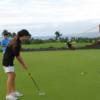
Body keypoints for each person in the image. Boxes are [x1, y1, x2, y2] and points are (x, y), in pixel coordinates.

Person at [2, 29, 31, 100]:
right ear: (23, 36)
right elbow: (18, 56)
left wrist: (23, 63)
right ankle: (8, 95)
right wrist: (24, 64)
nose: (27, 38)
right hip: (7, 61)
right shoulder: (17, 43)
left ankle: (13, 92)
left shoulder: (16, 40)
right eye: (26, 37)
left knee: (13, 75)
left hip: (9, 60)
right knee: (11, 76)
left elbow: (17, 55)